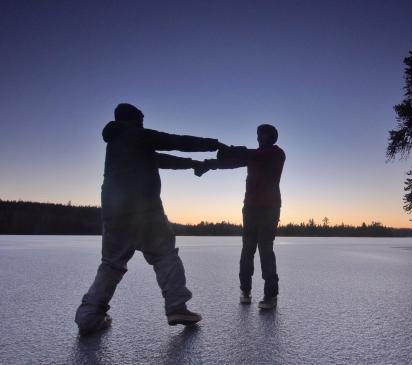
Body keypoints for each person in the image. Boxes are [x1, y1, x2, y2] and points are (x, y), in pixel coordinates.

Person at [75, 103, 225, 335]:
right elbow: (176, 141)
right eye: (141, 118)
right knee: (165, 256)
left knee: (111, 265)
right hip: (145, 210)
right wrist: (213, 145)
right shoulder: (136, 135)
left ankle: (89, 316)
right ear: (132, 119)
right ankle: (177, 307)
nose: (143, 122)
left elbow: (161, 159)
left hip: (114, 214)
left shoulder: (118, 142)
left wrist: (193, 164)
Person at [195, 124, 285, 309]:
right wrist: (209, 164)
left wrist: (229, 150)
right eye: (259, 134)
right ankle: (245, 290)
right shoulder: (252, 156)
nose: (260, 138)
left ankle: (271, 296)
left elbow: (250, 155)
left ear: (272, 137)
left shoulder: (277, 153)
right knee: (247, 249)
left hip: (270, 208)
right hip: (250, 208)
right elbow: (232, 163)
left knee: (265, 250)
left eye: (264, 135)